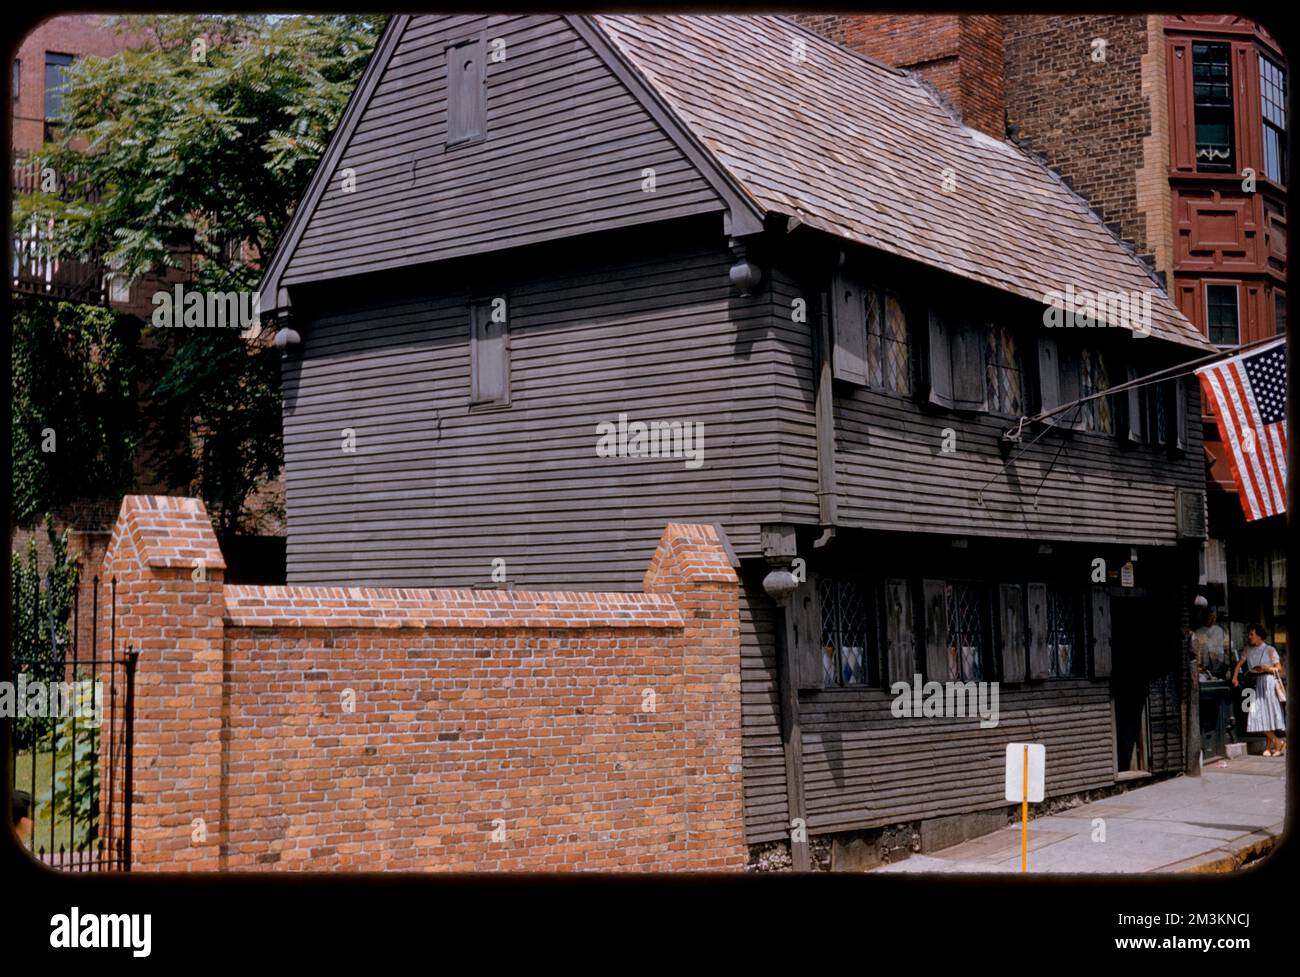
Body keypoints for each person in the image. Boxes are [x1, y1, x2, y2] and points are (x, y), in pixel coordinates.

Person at [1231, 623, 1287, 756]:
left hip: (1268, 682)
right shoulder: (1248, 650)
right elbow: (1239, 664)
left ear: (1259, 636)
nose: (1249, 637)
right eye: (1249, 634)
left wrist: (1267, 668)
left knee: (1269, 714)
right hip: (1256, 683)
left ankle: (1269, 747)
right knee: (1256, 716)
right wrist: (1235, 678)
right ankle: (1277, 742)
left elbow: (1279, 668)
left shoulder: (1270, 650)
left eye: (1252, 634)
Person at [1191, 608, 1230, 679]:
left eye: (1212, 617)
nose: (1211, 619)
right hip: (1203, 669)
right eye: (1208, 617)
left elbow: (1227, 646)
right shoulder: (1198, 632)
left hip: (1219, 666)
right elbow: (1196, 651)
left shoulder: (1219, 630)